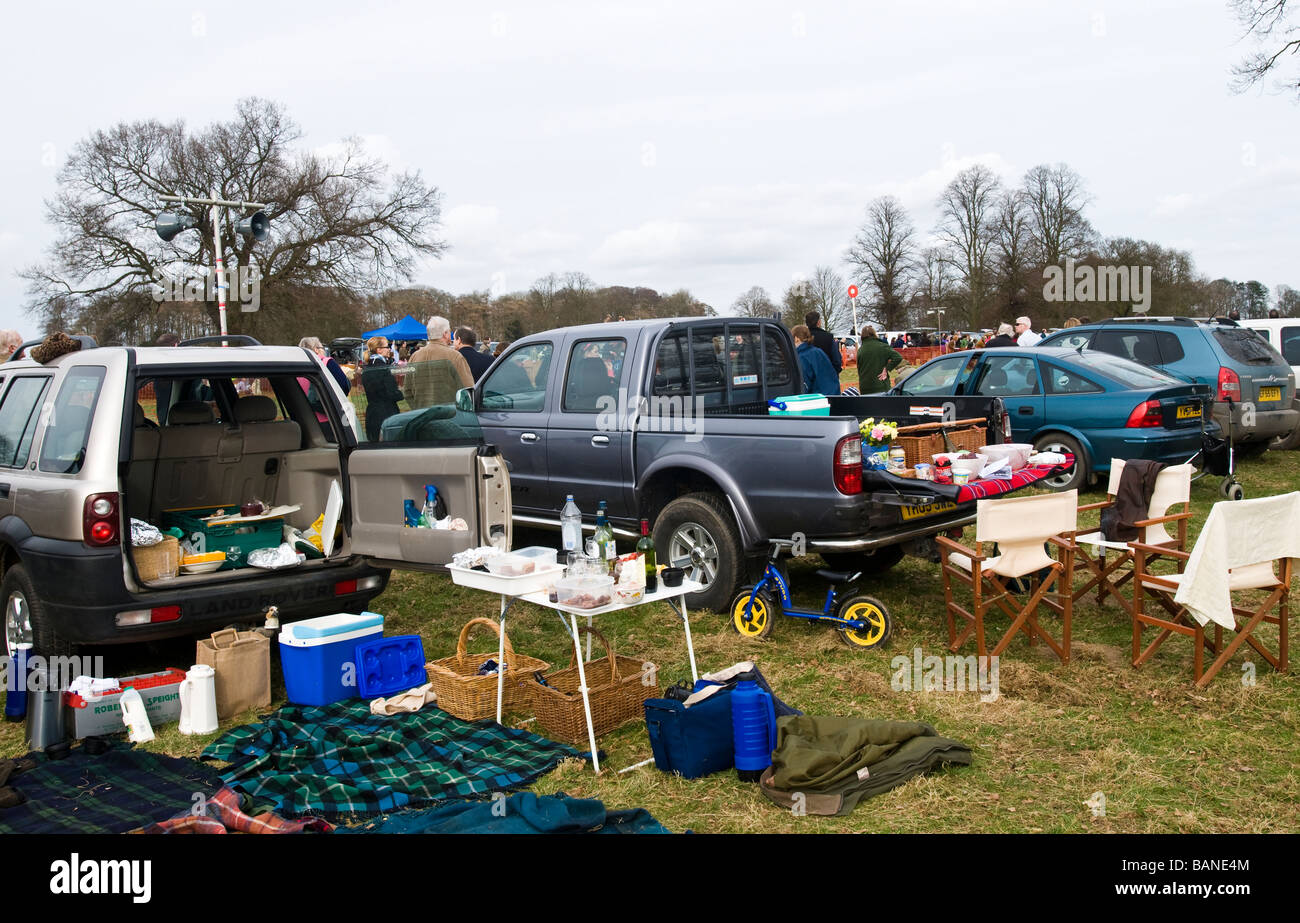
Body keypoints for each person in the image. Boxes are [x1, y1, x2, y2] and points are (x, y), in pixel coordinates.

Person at [405, 316, 473, 407]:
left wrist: (417, 410)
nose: (450, 334)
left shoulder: (414, 357)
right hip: (450, 416)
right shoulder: (455, 356)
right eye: (449, 331)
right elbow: (468, 390)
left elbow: (407, 391)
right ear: (445, 334)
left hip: (423, 415)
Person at [360, 336, 404, 442]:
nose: (389, 349)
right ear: (379, 349)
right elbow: (392, 393)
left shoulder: (367, 368)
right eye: (387, 346)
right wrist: (401, 392)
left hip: (372, 414)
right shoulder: (383, 368)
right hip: (386, 414)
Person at [791, 324, 840, 396]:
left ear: (796, 338)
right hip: (832, 394)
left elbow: (804, 384)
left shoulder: (802, 357)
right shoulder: (818, 351)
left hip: (818, 399)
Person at [855, 325, 904, 394]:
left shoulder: (860, 350)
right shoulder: (882, 346)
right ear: (874, 334)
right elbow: (898, 357)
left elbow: (859, 370)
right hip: (881, 386)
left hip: (864, 387)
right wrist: (886, 369)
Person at [804, 312, 842, 376]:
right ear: (818, 322)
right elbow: (836, 360)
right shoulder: (828, 337)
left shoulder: (803, 338)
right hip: (827, 375)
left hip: (808, 377)